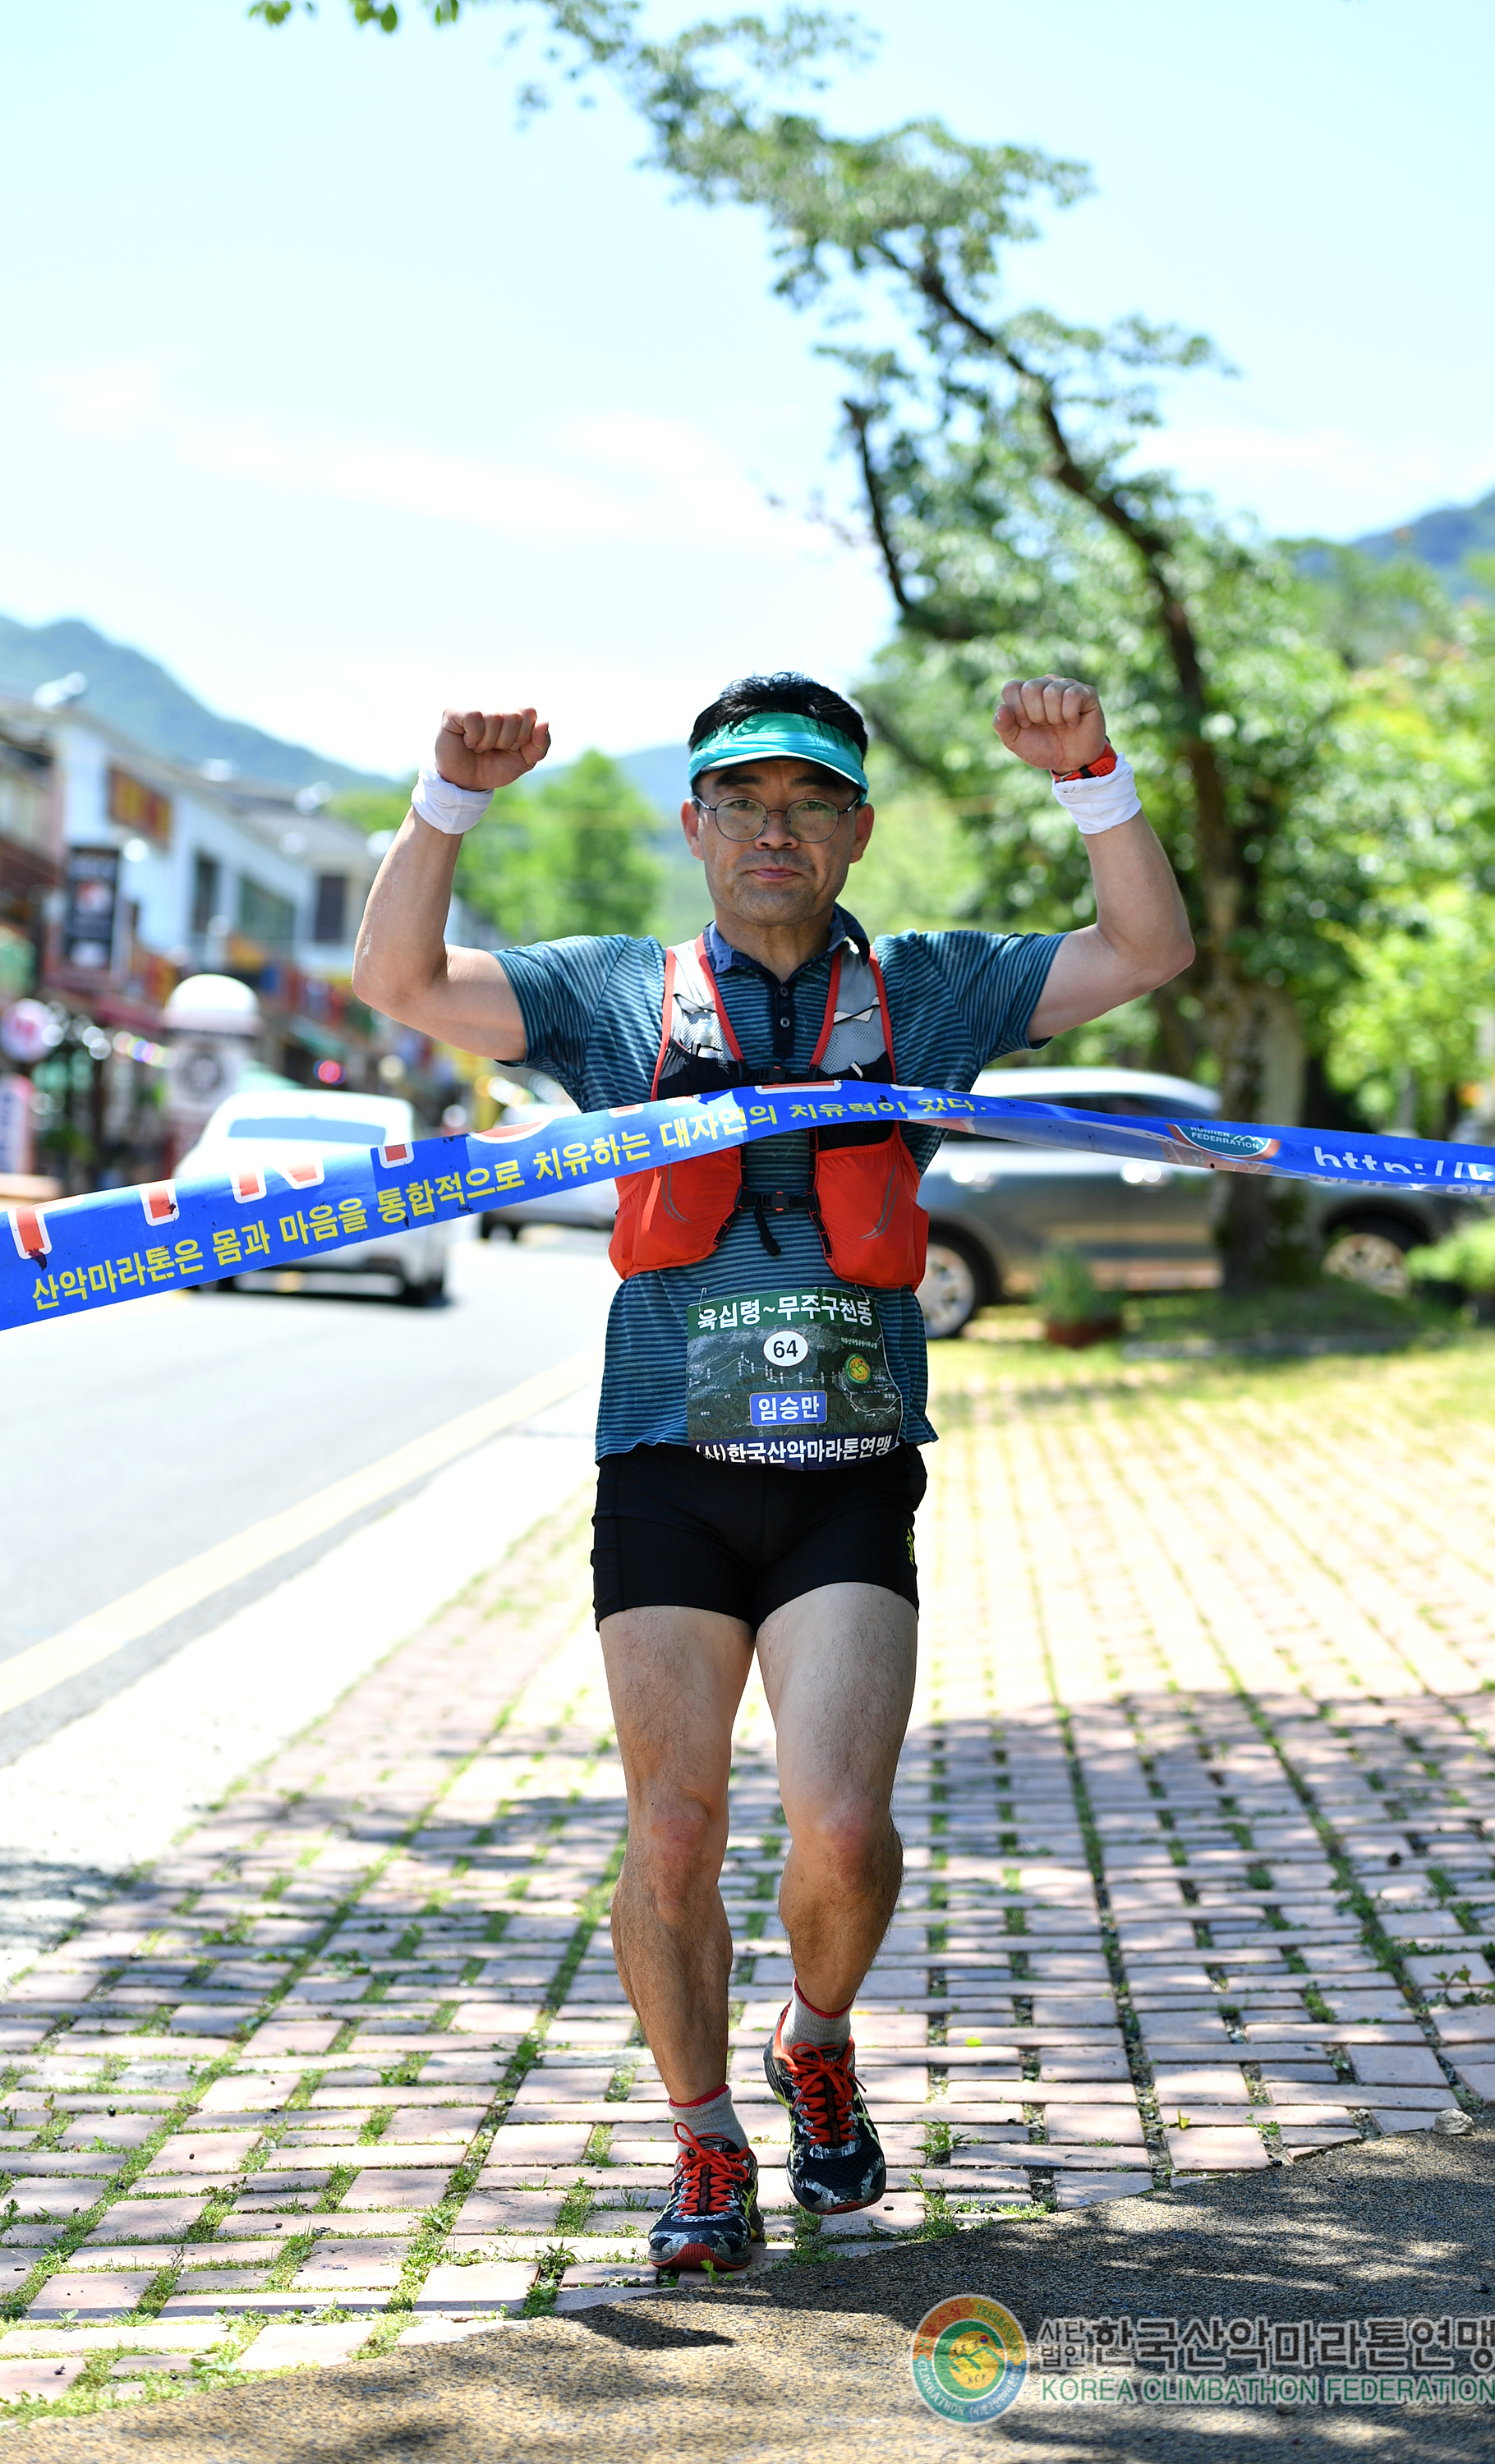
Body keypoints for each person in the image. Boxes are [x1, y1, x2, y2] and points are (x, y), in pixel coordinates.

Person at [352, 672, 1193, 2269]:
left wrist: (1090, 773)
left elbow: (1145, 952)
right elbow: (397, 976)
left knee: (844, 1828)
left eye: (809, 803)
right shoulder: (614, 994)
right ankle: (702, 2144)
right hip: (665, 1463)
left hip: (848, 1470)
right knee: (672, 1831)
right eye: (741, 802)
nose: (774, 831)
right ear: (695, 827)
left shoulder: (931, 988)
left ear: (857, 831)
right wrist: (448, 800)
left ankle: (815, 2035)